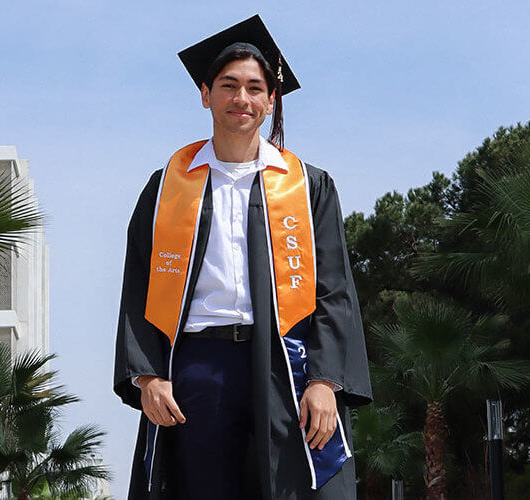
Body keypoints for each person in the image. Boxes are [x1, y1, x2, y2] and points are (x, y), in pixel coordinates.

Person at [114, 15, 372, 500]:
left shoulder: (307, 186)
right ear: (206, 93)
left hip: (287, 363)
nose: (242, 99)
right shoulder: (169, 186)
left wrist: (325, 381)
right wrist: (147, 374)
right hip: (197, 368)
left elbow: (334, 291)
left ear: (271, 100)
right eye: (229, 85)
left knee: (298, 487)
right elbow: (138, 287)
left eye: (256, 88)